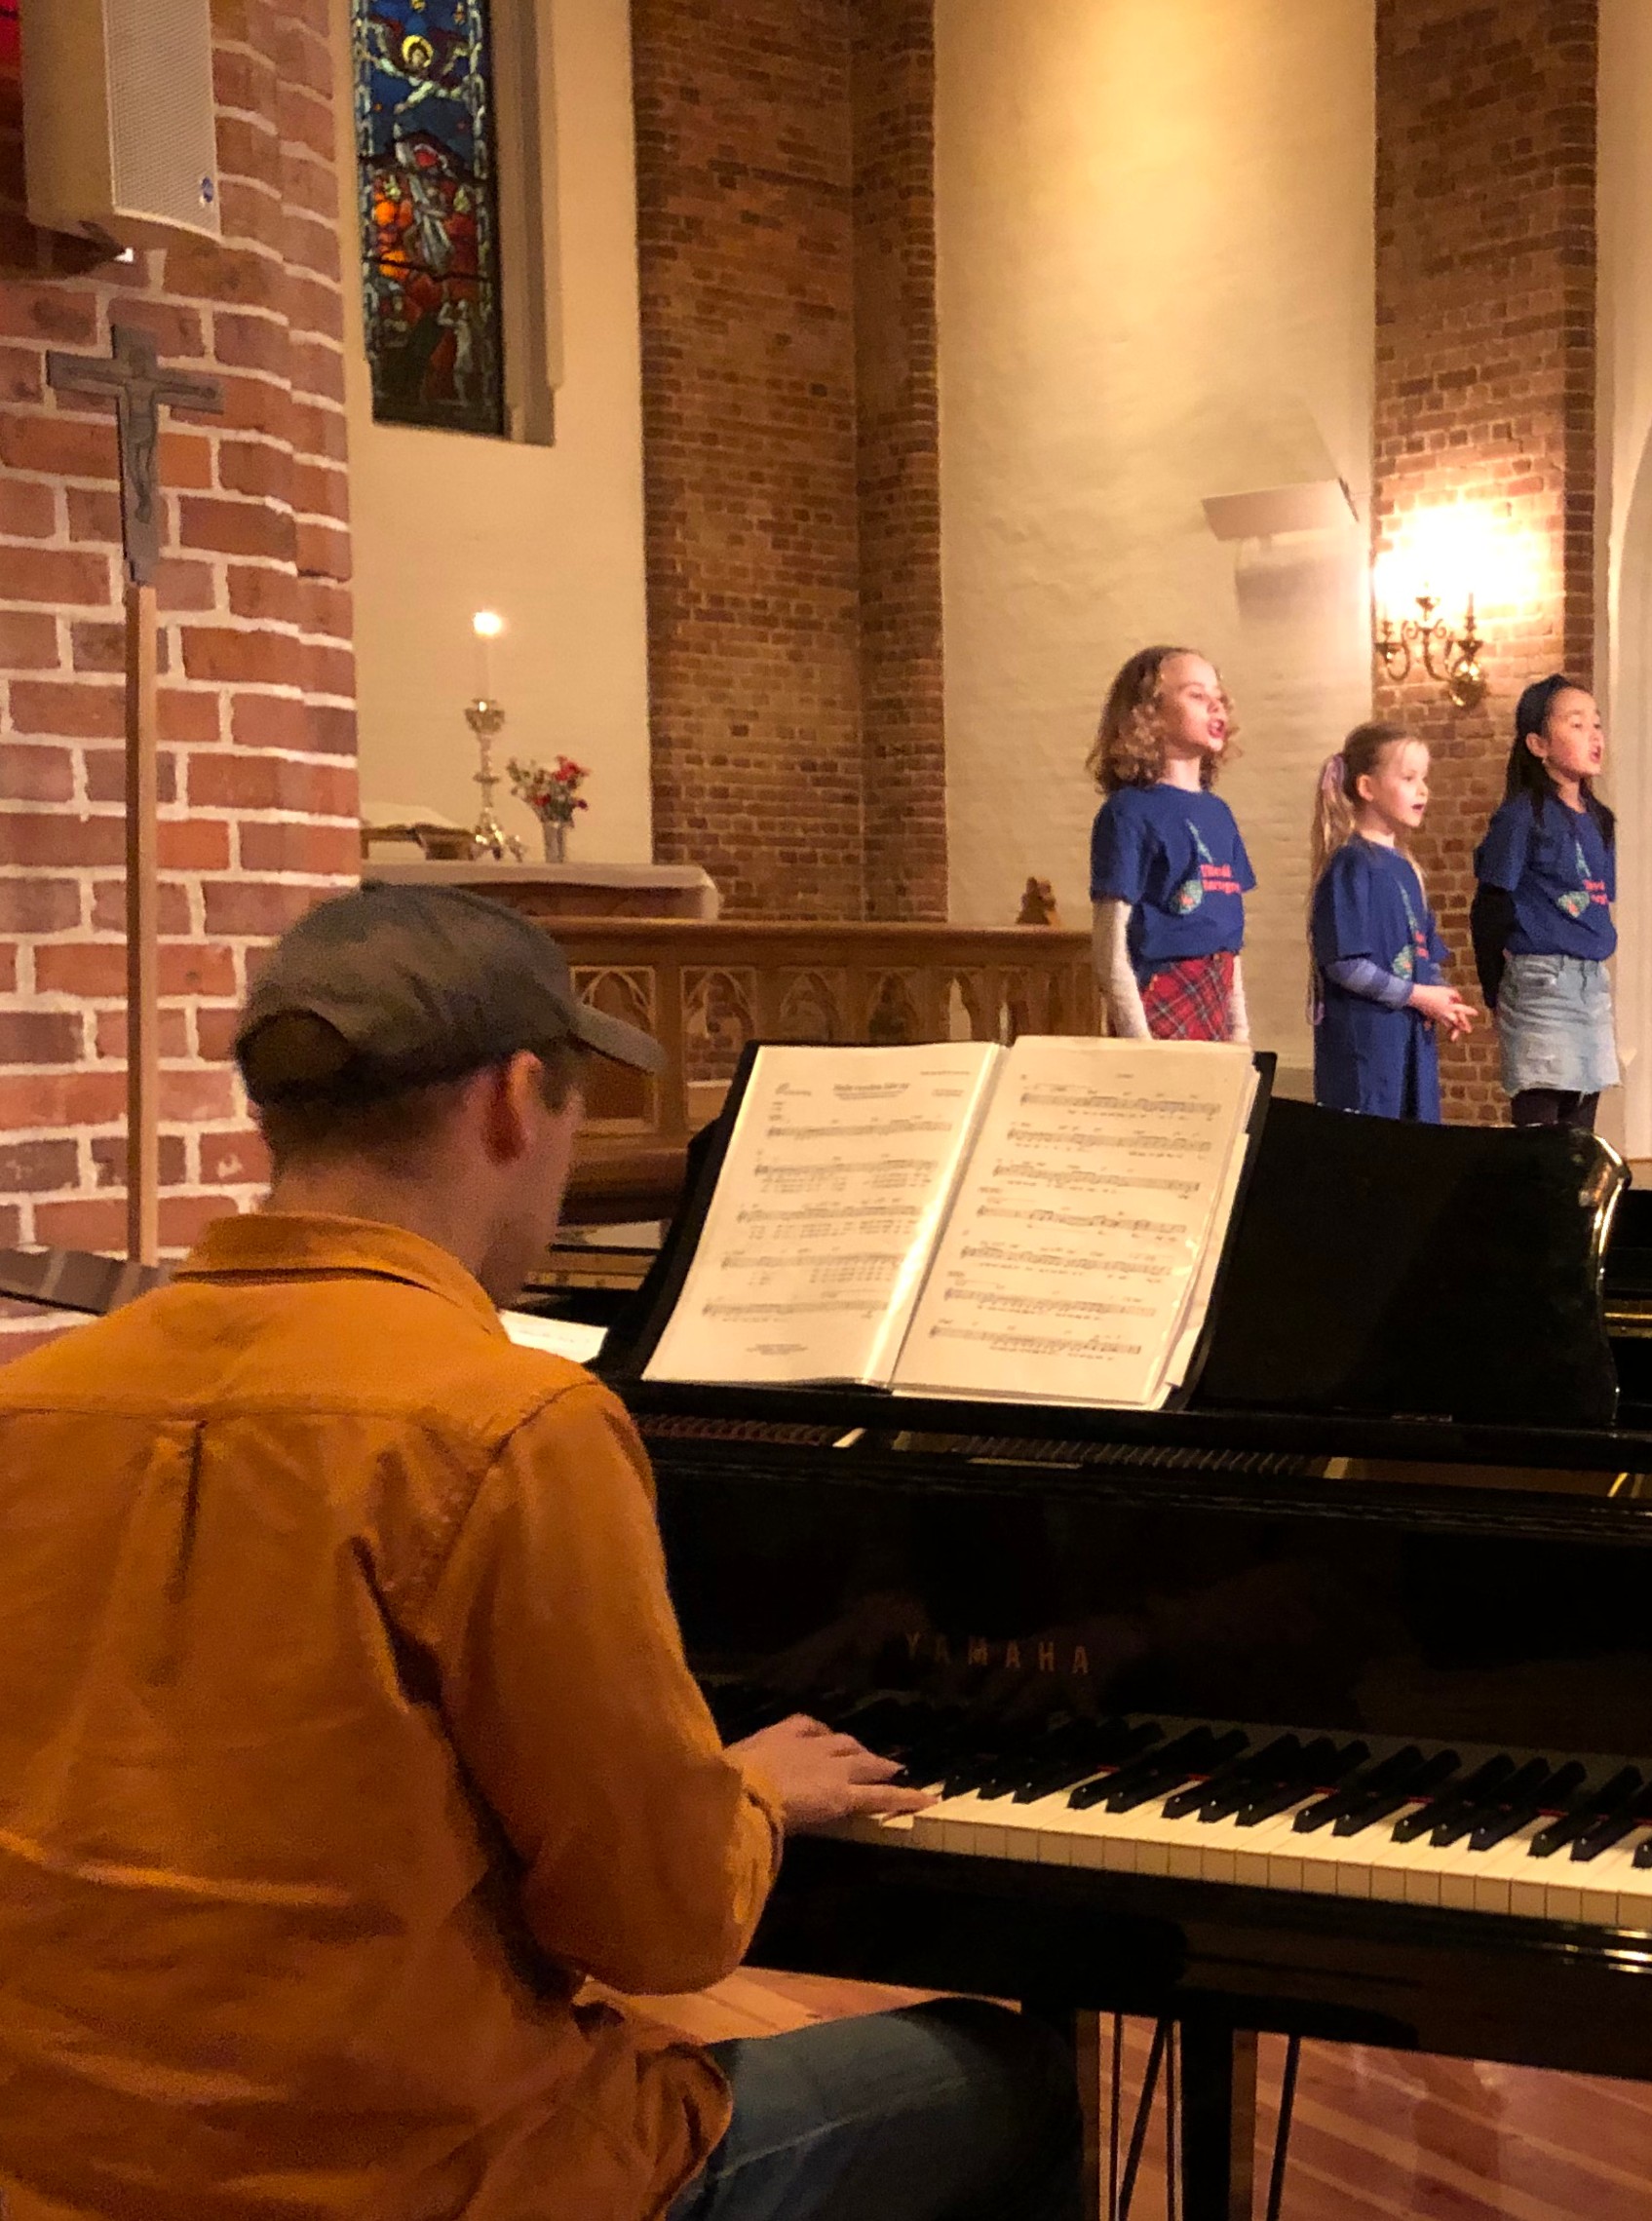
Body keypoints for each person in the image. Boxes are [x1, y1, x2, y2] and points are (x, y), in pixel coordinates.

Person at [0, 884, 1080, 2221]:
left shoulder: (34, 1401)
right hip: (411, 2180)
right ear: (517, 1099)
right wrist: (739, 1793)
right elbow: (658, 1929)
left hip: (60, 2168)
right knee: (1006, 2070)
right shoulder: (508, 1424)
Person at [1472, 674, 1621, 1131]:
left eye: (1596, 724)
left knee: (1580, 1132)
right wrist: (1496, 990)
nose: (1593, 736)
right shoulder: (1522, 816)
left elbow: (1598, 904)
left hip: (1591, 983)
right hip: (1540, 980)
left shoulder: (1600, 819)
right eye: (1576, 725)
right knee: (1541, 1129)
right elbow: (1489, 906)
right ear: (1538, 743)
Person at [1087, 643, 1254, 1045]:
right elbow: (1111, 949)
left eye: (1219, 698)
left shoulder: (1220, 815)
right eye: (1197, 695)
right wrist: (1141, 1046)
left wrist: (1240, 1036)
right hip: (1157, 1003)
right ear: (1149, 714)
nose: (1215, 708)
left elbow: (1229, 946)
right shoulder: (1129, 813)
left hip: (1214, 998)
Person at [1311, 718, 1473, 1120]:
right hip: (1367, 1050)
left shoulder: (1407, 869)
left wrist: (1441, 1000)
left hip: (1408, 1042)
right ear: (1367, 787)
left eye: (1424, 778)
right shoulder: (1351, 865)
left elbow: (1423, 954)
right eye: (1408, 778)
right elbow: (1345, 964)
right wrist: (1419, 996)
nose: (1423, 789)